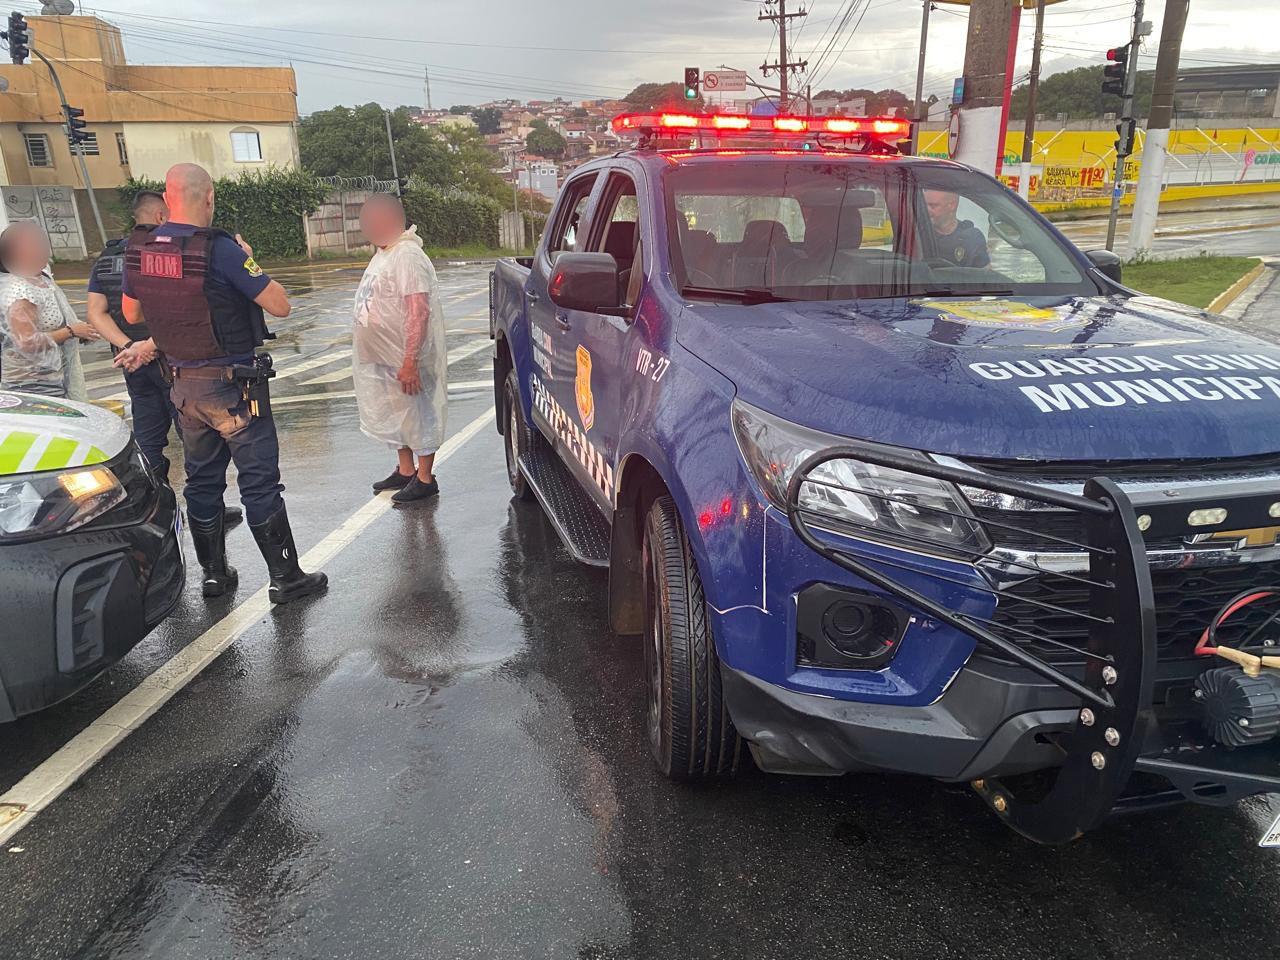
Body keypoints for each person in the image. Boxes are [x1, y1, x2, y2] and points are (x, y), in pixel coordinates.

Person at [122, 163, 326, 604]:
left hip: (181, 389)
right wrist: (248, 257)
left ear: (167, 198)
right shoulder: (222, 250)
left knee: (201, 481)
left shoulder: (139, 250)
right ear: (209, 197)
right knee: (259, 482)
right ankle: (286, 577)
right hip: (233, 390)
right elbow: (280, 304)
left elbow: (135, 314)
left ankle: (213, 576)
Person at [353, 193, 447, 503]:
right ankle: (406, 470)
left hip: (405, 357)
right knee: (397, 415)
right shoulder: (385, 253)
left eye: (378, 220)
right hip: (383, 357)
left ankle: (425, 477)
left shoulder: (406, 255)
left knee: (417, 415)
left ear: (395, 220)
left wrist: (410, 360)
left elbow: (418, 310)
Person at [0, 221, 98, 398]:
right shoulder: (19, 289)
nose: (42, 249)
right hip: (32, 384)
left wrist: (79, 332)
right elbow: (26, 343)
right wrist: (70, 331)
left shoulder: (41, 278)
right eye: (33, 245)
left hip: (56, 377)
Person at [923, 189, 990, 269]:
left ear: (952, 205)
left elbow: (985, 275)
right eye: (925, 205)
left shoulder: (972, 239)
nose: (927, 210)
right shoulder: (918, 235)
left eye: (933, 206)